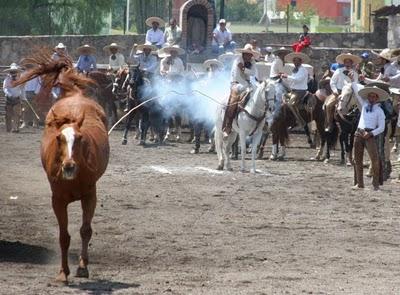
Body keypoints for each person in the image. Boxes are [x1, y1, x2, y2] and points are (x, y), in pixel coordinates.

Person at [351, 86, 388, 190]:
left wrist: (371, 133)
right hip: (359, 132)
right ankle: (359, 183)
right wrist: (353, 79)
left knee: (374, 159)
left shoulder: (380, 111)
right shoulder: (364, 106)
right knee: (357, 159)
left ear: (377, 98)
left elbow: (381, 127)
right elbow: (356, 91)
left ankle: (375, 184)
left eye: (373, 96)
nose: (371, 98)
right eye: (370, 96)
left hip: (370, 134)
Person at [222, 44, 259, 138]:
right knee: (233, 101)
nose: (249, 56)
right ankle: (228, 125)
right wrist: (246, 74)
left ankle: (260, 122)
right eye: (247, 54)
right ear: (243, 54)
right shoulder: (237, 60)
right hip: (236, 83)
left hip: (247, 84)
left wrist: (244, 69)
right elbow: (237, 75)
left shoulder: (252, 62)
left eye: (250, 54)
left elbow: (253, 72)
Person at [190, 59, 224, 154]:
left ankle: (213, 145)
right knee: (197, 124)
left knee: (213, 127)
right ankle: (197, 146)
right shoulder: (205, 78)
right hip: (202, 105)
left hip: (213, 105)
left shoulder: (219, 80)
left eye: (215, 66)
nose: (213, 68)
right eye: (212, 66)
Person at [325, 53, 361, 132]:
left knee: (359, 106)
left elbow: (356, 85)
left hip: (350, 93)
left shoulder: (355, 73)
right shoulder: (338, 71)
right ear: (344, 63)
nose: (347, 64)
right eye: (346, 62)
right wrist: (335, 91)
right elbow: (332, 82)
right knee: (328, 105)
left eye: (349, 62)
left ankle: (359, 125)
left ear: (352, 63)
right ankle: (329, 123)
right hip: (338, 92)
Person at [280, 52, 311, 128]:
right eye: (295, 60)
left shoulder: (303, 70)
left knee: (291, 104)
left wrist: (287, 76)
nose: (296, 62)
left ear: (301, 61)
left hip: (300, 91)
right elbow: (293, 80)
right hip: (293, 90)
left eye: (297, 61)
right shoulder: (295, 70)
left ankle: (300, 121)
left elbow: (298, 80)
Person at [269, 47, 291, 119]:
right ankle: (275, 115)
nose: (284, 56)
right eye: (283, 54)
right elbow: (281, 74)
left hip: (275, 79)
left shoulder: (277, 61)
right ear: (280, 54)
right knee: (279, 98)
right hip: (276, 81)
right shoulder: (279, 61)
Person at [3, 63, 24, 133]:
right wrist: (9, 94)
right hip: (9, 99)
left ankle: (16, 128)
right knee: (8, 114)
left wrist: (22, 96)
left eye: (15, 71)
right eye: (12, 71)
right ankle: (9, 128)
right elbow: (5, 88)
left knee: (17, 114)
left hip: (17, 98)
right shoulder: (7, 79)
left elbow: (22, 88)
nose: (13, 73)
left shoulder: (19, 79)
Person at [21, 63, 40, 128]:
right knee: (25, 108)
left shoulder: (36, 74)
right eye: (27, 66)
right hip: (26, 92)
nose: (28, 68)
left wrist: (36, 92)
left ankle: (35, 123)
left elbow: (39, 83)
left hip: (34, 92)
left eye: (29, 66)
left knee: (35, 108)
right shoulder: (23, 74)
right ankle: (25, 122)